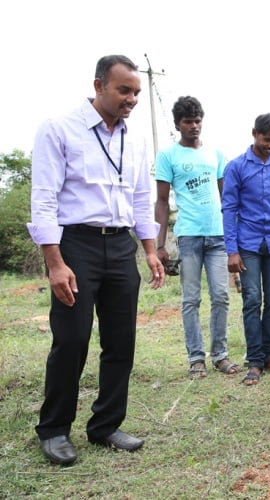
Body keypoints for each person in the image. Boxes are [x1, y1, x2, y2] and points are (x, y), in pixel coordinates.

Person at [26, 55, 165, 465]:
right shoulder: (59, 129)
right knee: (71, 340)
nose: (133, 99)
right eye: (124, 90)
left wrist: (150, 249)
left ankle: (105, 426)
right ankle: (53, 430)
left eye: (137, 92)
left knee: (121, 341)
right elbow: (44, 197)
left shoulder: (135, 138)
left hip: (121, 246)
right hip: (76, 246)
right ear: (99, 85)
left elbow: (141, 197)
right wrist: (54, 261)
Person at [154, 96, 240, 379]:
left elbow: (227, 197)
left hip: (217, 235)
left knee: (221, 296)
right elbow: (163, 202)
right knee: (191, 299)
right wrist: (160, 244)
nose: (194, 126)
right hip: (189, 236)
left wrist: (234, 236)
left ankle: (220, 356)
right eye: (188, 122)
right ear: (178, 124)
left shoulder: (215, 154)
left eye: (198, 121)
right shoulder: (168, 156)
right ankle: (196, 358)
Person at [222, 112, 270, 386]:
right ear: (254, 133)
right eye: (267, 140)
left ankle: (269, 355)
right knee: (252, 300)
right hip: (248, 245)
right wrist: (232, 250)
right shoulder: (236, 167)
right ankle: (255, 360)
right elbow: (229, 209)